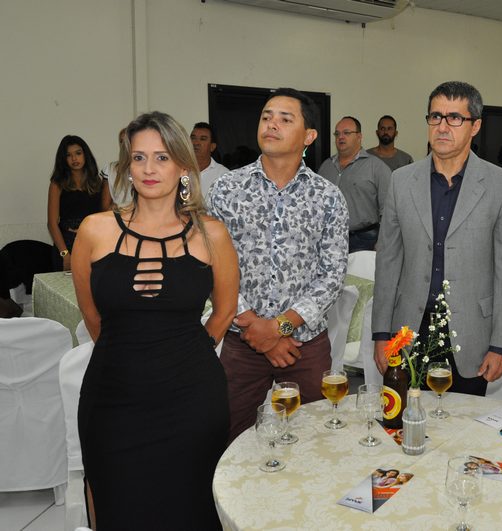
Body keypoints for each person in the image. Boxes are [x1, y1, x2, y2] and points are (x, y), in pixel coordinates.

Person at [72, 111, 240, 529]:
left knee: (191, 509)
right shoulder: (94, 231)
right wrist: (131, 352)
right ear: (127, 166)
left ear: (183, 166)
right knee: (118, 506)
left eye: (162, 157)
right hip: (113, 401)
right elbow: (92, 317)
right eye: (139, 157)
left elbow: (224, 311)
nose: (149, 169)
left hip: (191, 402)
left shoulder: (212, 234)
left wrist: (186, 352)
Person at [208, 88, 349, 442]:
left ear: (309, 136)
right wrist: (256, 329)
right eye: (266, 117)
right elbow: (212, 264)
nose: (272, 124)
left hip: (304, 346)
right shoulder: (226, 189)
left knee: (314, 441)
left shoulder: (328, 197)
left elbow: (332, 274)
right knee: (230, 440)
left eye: (285, 119)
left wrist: (280, 328)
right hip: (242, 342)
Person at [371, 81, 502, 397]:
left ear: (475, 126)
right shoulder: (401, 181)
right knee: (403, 418)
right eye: (435, 116)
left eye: (454, 118)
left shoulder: (501, 184)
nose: (442, 127)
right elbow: (388, 262)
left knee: (463, 424)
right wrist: (381, 333)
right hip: (408, 330)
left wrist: (501, 345)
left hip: (472, 334)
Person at [319, 116, 391, 252]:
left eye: (346, 133)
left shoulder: (376, 167)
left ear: (359, 137)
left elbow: (388, 210)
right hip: (329, 240)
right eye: (337, 134)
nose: (341, 137)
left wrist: (383, 241)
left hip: (365, 241)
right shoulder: (326, 167)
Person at [47, 135, 110, 270]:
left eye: (78, 153)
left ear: (85, 155)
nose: (74, 159)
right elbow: (52, 223)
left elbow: (103, 215)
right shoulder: (57, 184)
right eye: (68, 155)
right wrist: (64, 254)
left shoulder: (96, 182)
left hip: (92, 243)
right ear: (63, 159)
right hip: (67, 245)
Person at [191, 122, 230, 197]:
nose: (195, 143)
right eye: (193, 138)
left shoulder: (223, 174)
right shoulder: (179, 169)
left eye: (202, 139)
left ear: (212, 147)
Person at [100, 127, 129, 207]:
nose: (124, 145)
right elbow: (105, 207)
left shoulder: (146, 169)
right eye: (121, 141)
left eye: (128, 141)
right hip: (118, 214)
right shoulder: (110, 169)